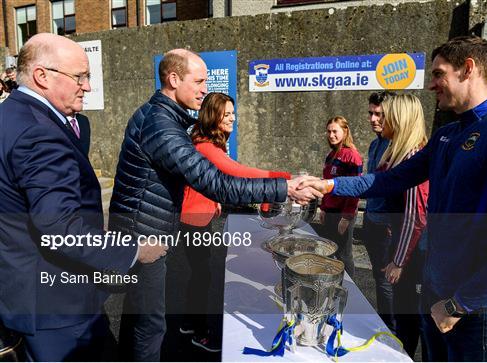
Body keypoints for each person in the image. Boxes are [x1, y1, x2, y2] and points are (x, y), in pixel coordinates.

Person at [299, 35, 487, 361]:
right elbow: (390, 180)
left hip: (478, 309)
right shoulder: (446, 135)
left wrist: (459, 304)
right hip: (435, 296)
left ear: (467, 69)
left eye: (439, 74)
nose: (431, 84)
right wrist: (327, 186)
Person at [108, 49, 320, 361]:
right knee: (150, 326)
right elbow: (218, 182)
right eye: (199, 81)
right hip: (144, 237)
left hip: (143, 231)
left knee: (138, 317)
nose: (204, 88)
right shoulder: (161, 126)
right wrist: (284, 187)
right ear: (174, 79)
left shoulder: (160, 117)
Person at [0, 33, 166, 361]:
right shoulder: (39, 133)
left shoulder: (11, 116)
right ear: (42, 76)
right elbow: (59, 228)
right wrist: (135, 250)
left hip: (24, 288)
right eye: (80, 77)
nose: (87, 87)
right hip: (57, 304)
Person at [176, 92, 291, 353]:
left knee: (199, 275)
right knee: (202, 275)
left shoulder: (210, 142)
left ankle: (189, 323)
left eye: (232, 113)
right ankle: (199, 332)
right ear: (213, 116)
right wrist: (279, 178)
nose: (232, 118)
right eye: (226, 114)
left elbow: (212, 178)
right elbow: (235, 172)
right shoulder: (205, 145)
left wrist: (213, 197)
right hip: (193, 220)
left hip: (196, 216)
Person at [377, 94, 429, 358]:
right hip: (406, 246)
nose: (379, 120)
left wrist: (398, 260)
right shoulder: (398, 153)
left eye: (384, 115)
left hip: (416, 256)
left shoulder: (413, 157)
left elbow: (415, 216)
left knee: (411, 316)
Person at [362, 91, 396, 333]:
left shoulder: (399, 145)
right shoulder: (375, 144)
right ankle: (385, 322)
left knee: (386, 281)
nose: (373, 119)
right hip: (371, 221)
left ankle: (391, 330)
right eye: (371, 113)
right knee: (378, 277)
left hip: (388, 227)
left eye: (379, 114)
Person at [318, 116, 362, 277]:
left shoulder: (352, 156)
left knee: (344, 255)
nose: (331, 135)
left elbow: (355, 188)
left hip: (343, 214)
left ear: (345, 131)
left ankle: (350, 291)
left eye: (335, 131)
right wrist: (322, 208)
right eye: (328, 131)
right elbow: (326, 184)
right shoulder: (331, 155)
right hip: (329, 212)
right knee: (330, 251)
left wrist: (346, 217)